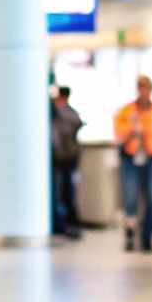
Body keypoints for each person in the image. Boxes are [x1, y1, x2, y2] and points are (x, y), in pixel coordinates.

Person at [113, 75, 152, 253]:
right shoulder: (127, 111)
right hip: (132, 157)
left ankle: (148, 237)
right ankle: (130, 234)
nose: (144, 92)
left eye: (147, 88)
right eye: (141, 88)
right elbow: (119, 135)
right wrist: (132, 129)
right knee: (131, 198)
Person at [50, 86, 84, 239]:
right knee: (64, 192)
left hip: (63, 159)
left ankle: (66, 224)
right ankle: (65, 224)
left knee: (64, 193)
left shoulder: (63, 114)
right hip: (65, 159)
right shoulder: (71, 114)